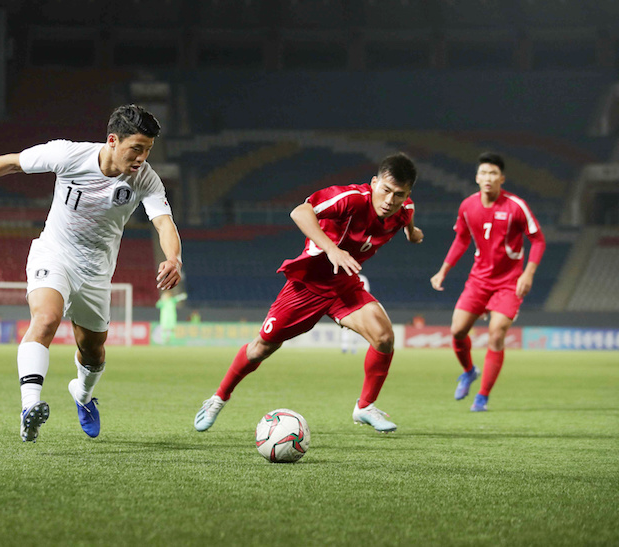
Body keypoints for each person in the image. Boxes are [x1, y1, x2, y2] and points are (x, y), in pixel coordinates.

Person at [0, 104, 183, 442]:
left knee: (93, 352)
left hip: (96, 272)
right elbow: (13, 162)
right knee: (46, 318)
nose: (141, 158)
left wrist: (173, 258)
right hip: (55, 254)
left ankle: (82, 394)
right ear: (113, 140)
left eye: (148, 150)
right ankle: (29, 407)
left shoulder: (145, 179)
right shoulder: (68, 155)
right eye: (136, 148)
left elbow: (164, 223)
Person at [194, 153, 423, 434]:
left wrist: (412, 233)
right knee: (262, 347)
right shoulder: (350, 199)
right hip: (308, 285)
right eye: (385, 190)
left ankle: (365, 407)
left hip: (344, 285)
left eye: (398, 195)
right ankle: (218, 398)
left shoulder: (404, 209)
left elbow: (407, 217)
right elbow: (300, 212)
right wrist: (332, 249)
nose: (389, 200)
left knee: (384, 337)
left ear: (407, 194)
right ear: (374, 182)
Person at [430, 152, 544, 412]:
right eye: (483, 173)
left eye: (493, 173)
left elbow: (538, 239)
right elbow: (461, 239)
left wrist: (528, 273)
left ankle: (482, 397)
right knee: (457, 331)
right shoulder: (467, 206)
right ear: (477, 177)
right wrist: (443, 270)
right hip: (479, 280)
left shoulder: (516, 206)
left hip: (509, 282)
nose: (488, 177)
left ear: (502, 178)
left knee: (497, 333)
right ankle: (469, 371)